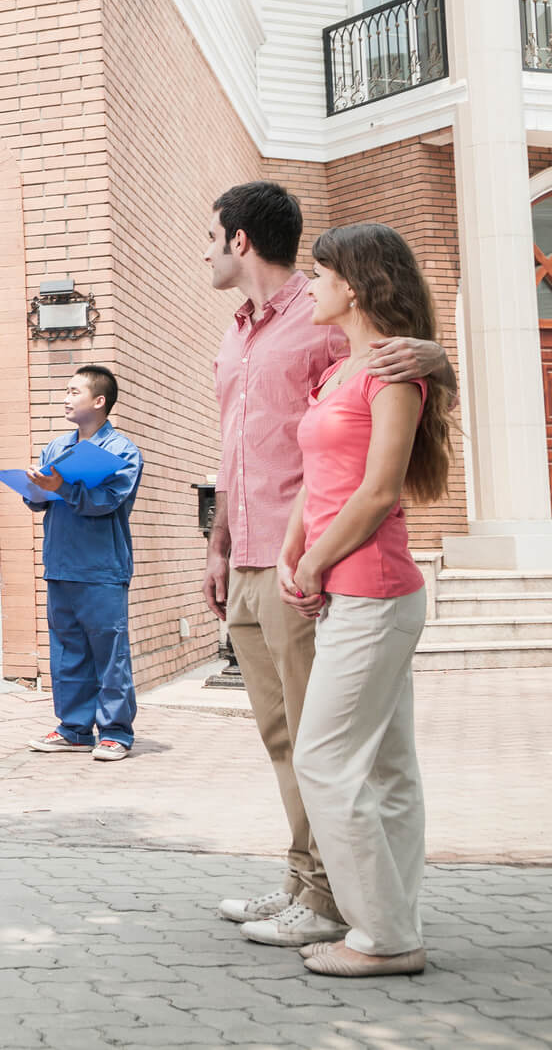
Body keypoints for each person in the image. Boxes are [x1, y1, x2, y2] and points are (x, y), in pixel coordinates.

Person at [201, 181, 453, 950]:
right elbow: (237, 447)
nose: (205, 250)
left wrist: (441, 358)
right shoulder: (237, 336)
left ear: (241, 239)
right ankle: (301, 882)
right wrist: (217, 541)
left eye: (211, 235)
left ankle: (332, 899)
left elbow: (390, 385)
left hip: (318, 564)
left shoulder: (320, 320)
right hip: (251, 556)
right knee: (285, 740)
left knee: (326, 746)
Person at [278, 223, 451, 979]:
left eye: (318, 276)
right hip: (346, 588)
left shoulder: (392, 372)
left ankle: (380, 934)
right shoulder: (337, 372)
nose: (309, 288)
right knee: (385, 767)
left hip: (374, 590)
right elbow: (321, 474)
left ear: (352, 283)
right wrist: (294, 544)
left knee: (323, 758)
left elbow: (380, 490)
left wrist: (315, 559)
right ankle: (395, 922)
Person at [21, 367, 144, 761]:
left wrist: (64, 488)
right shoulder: (56, 448)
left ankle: (115, 732)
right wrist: (35, 488)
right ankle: (74, 729)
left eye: (74, 391)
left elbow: (108, 502)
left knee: (109, 653)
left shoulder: (123, 452)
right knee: (68, 651)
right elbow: (37, 502)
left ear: (99, 401)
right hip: (60, 565)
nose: (65, 398)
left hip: (102, 568)